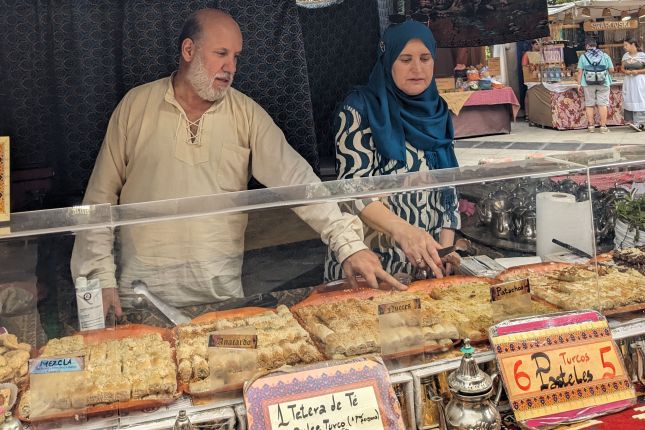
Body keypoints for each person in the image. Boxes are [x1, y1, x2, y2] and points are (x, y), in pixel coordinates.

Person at [71, 9, 405, 319]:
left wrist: (349, 246)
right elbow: (99, 201)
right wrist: (99, 278)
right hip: (139, 297)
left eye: (236, 56)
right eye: (221, 54)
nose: (231, 67)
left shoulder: (246, 115)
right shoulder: (135, 106)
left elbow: (299, 181)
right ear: (188, 50)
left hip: (220, 298)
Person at [324, 21, 460, 283]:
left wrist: (443, 249)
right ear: (388, 61)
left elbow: (449, 185)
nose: (417, 68)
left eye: (425, 58)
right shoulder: (359, 110)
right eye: (405, 59)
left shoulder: (438, 111)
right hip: (372, 266)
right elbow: (354, 191)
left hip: (425, 266)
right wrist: (405, 232)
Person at [577, 38, 614, 133]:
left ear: (586, 46)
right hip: (603, 82)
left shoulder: (583, 57)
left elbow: (580, 72)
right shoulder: (605, 55)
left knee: (589, 104)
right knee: (602, 104)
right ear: (596, 46)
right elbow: (611, 70)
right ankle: (603, 127)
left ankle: (591, 127)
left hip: (588, 83)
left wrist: (578, 84)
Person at [621, 38, 645, 132]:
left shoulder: (642, 56)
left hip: (640, 81)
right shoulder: (625, 56)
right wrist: (625, 71)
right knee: (630, 98)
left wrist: (638, 71)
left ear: (633, 44)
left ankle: (641, 122)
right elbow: (622, 68)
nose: (624, 47)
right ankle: (634, 121)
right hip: (629, 81)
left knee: (640, 99)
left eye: (626, 45)